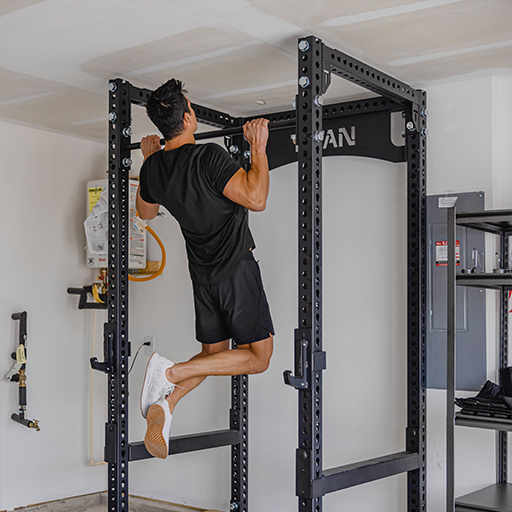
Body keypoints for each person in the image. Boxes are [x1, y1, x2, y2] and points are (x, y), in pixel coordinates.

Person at [136, 79, 274, 459]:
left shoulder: (154, 169)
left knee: (215, 356)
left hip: (202, 277)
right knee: (259, 358)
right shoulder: (209, 157)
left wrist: (150, 161)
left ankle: (166, 405)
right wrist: (257, 147)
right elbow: (256, 198)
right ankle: (170, 373)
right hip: (236, 269)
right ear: (188, 117)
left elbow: (144, 214)